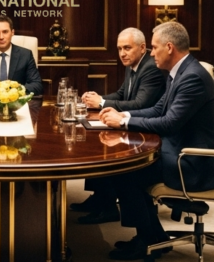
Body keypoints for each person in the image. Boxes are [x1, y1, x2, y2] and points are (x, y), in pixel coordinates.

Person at [86, 21, 214, 260]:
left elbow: (169, 122)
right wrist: (124, 115)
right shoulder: (179, 72)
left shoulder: (192, 77)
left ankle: (147, 239)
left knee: (126, 172)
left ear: (169, 47)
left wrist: (123, 123)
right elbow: (158, 109)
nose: (151, 53)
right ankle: (153, 236)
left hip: (195, 162)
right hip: (180, 150)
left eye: (153, 47)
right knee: (127, 168)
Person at [72, 27, 168, 224]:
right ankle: (100, 199)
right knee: (98, 142)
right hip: (136, 123)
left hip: (145, 130)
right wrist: (95, 100)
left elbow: (141, 104)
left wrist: (101, 104)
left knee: (108, 150)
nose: (122, 53)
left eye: (127, 48)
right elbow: (121, 95)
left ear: (143, 48)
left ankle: (107, 207)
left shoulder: (151, 68)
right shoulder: (132, 64)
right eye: (119, 49)